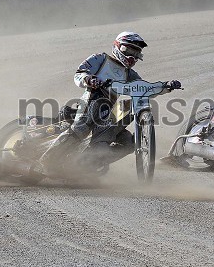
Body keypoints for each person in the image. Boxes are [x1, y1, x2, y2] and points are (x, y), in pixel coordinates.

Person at [39, 31, 182, 174]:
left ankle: (83, 165)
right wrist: (89, 79)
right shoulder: (100, 59)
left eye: (136, 52)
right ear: (117, 46)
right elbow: (79, 74)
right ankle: (46, 161)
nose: (132, 56)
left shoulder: (129, 74)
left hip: (107, 113)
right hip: (91, 100)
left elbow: (143, 89)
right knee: (80, 129)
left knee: (129, 144)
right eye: (129, 50)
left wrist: (166, 86)